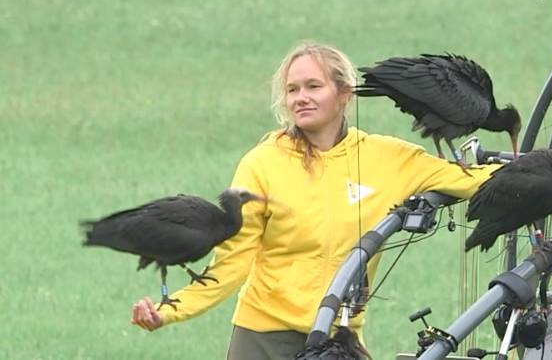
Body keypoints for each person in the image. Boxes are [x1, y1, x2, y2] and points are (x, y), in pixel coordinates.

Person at [128, 41, 498, 359]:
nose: (301, 98)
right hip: (264, 339)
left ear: (344, 93)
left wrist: (547, 172)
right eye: (292, 90)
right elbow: (231, 262)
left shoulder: (390, 159)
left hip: (340, 341)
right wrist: (168, 311)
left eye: (313, 86)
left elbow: (468, 181)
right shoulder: (263, 164)